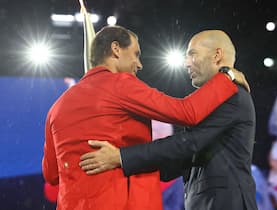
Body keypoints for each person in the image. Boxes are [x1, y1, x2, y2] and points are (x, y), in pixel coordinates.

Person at [42, 25, 249, 210]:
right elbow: (187, 112)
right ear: (116, 50)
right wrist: (227, 77)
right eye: (135, 54)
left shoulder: (56, 108)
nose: (139, 64)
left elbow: (51, 175)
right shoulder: (121, 85)